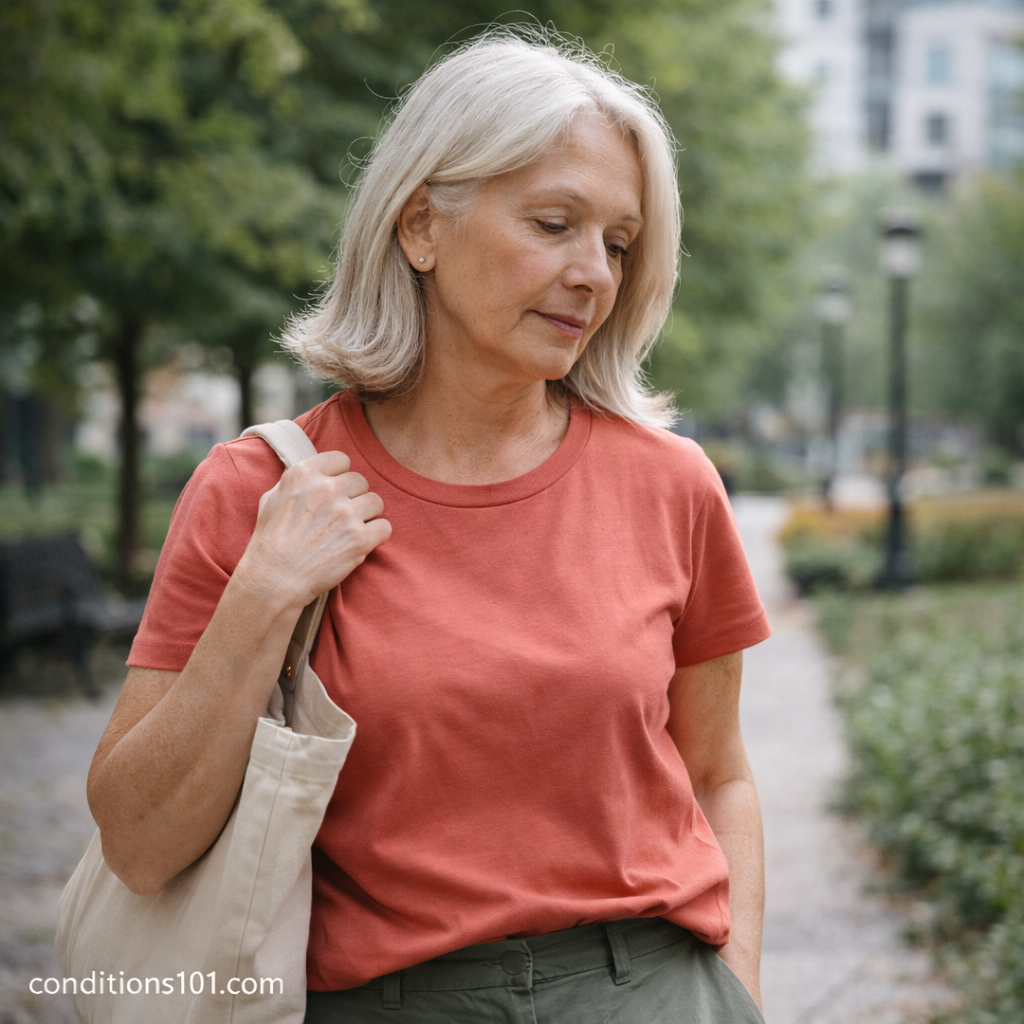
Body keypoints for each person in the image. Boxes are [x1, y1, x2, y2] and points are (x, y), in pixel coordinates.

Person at [87, 29, 771, 1024]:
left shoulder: (668, 484)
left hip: (651, 990)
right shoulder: (261, 489)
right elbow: (138, 845)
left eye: (617, 243)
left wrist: (734, 988)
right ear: (420, 227)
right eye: (552, 223)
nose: (592, 272)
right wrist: (263, 596)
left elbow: (720, 775)